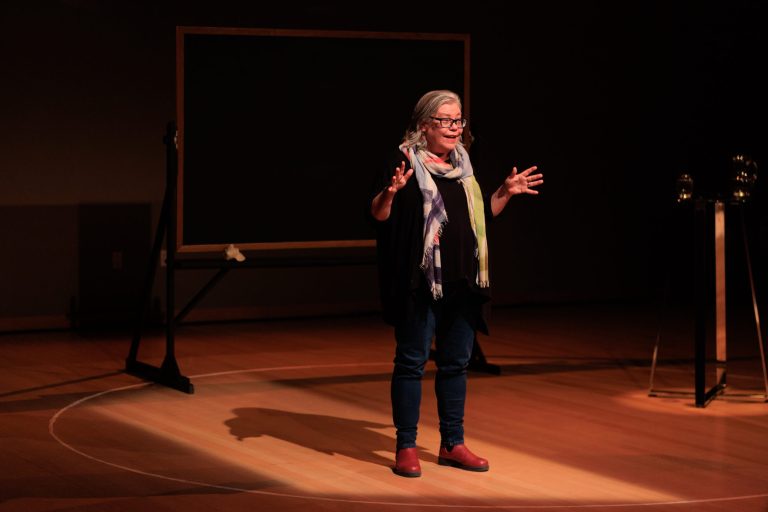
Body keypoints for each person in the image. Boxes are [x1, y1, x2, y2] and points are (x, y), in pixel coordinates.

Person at [369, 90, 543, 478]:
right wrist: (390, 193)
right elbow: (380, 216)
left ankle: (452, 442)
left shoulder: (463, 164)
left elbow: (480, 217)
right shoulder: (403, 160)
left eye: (458, 120)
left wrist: (504, 193)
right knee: (412, 363)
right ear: (424, 125)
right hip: (421, 281)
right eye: (446, 120)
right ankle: (407, 446)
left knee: (456, 363)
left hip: (464, 280)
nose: (454, 127)